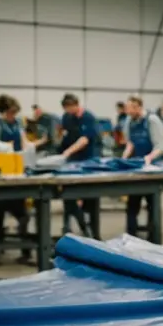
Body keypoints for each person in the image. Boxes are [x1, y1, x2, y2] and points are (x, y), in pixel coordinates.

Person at [0, 95, 32, 263]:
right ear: (3, 112)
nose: (13, 116)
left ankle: (26, 251)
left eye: (15, 113)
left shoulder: (17, 122)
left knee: (23, 214)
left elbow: (23, 140)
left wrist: (28, 150)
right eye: (10, 113)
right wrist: (6, 147)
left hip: (16, 173)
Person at [121, 95, 163, 237]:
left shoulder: (152, 120)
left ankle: (153, 238)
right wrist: (123, 158)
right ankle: (130, 236)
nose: (127, 112)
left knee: (152, 205)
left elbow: (160, 146)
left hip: (152, 168)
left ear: (138, 107)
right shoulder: (129, 121)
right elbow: (130, 142)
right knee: (132, 205)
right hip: (136, 168)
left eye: (130, 109)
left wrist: (149, 158)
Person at [59, 93, 100, 237]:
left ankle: (94, 233)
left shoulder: (88, 117)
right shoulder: (67, 118)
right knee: (68, 197)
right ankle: (72, 228)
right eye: (65, 109)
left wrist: (67, 152)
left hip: (88, 162)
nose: (68, 112)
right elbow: (65, 137)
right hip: (72, 162)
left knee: (91, 200)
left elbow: (84, 140)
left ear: (76, 105)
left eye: (69, 108)